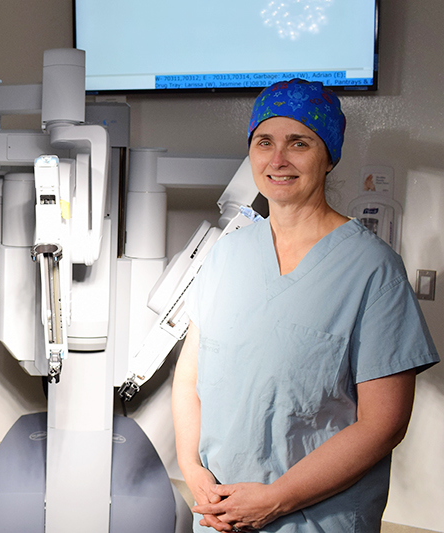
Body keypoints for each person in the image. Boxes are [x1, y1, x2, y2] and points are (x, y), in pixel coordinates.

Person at [172, 79, 439, 532]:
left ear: (329, 155)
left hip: (314, 519)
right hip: (219, 513)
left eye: (299, 143)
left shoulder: (372, 269)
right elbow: (190, 377)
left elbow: (384, 424)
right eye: (265, 142)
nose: (278, 160)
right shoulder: (228, 252)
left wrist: (275, 500)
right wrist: (194, 473)